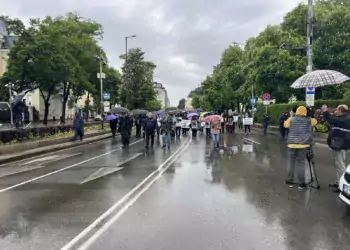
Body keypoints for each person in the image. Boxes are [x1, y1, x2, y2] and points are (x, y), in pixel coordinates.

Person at [284, 106, 317, 190]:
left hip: (292, 144)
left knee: (291, 163)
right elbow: (315, 122)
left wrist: (292, 116)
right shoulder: (309, 120)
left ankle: (290, 181)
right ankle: (301, 183)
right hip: (303, 145)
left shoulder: (291, 119)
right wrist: (311, 115)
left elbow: (285, 125)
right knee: (301, 164)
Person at [322, 104, 350, 191]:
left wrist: (325, 111)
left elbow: (331, 120)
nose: (335, 111)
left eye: (337, 110)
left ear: (341, 111)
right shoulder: (344, 119)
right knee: (339, 165)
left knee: (340, 166)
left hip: (340, 146)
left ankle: (342, 186)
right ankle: (338, 182)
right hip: (339, 145)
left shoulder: (345, 119)